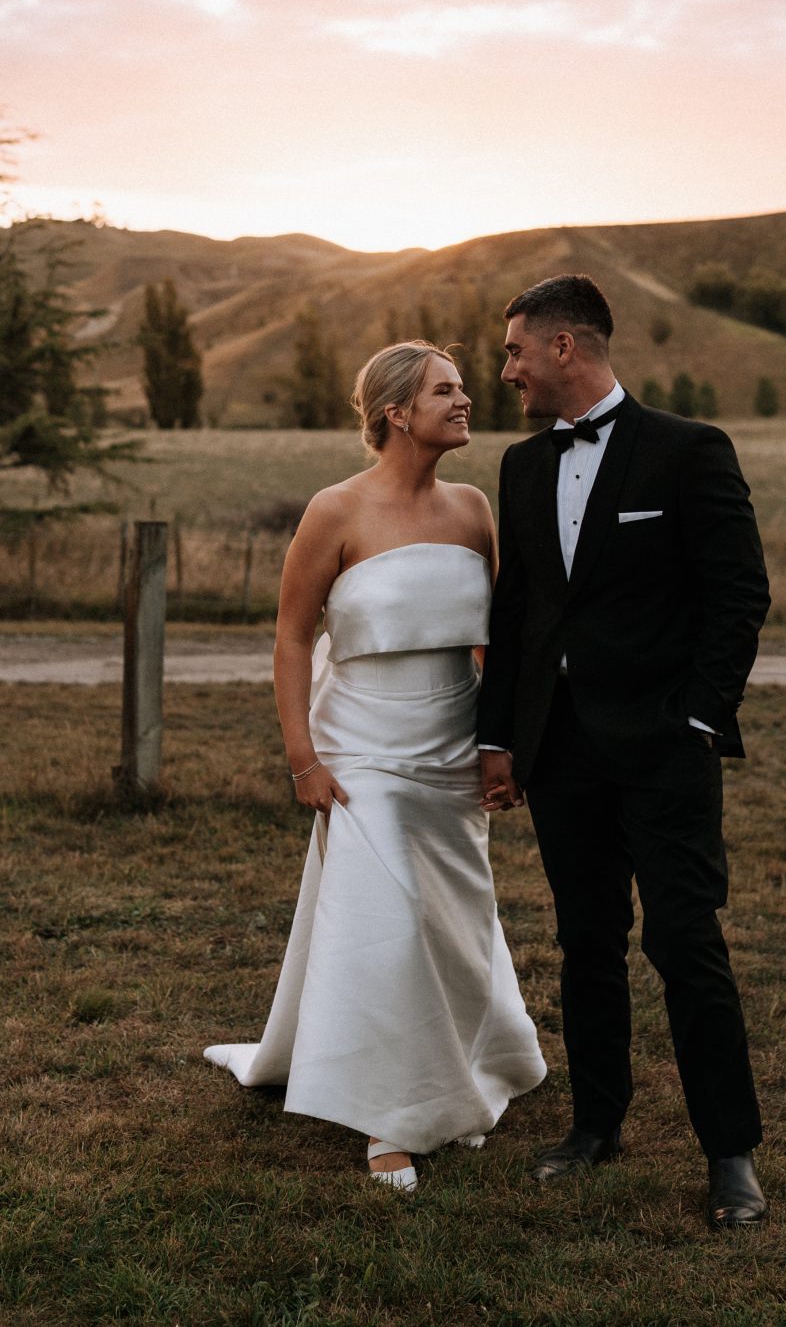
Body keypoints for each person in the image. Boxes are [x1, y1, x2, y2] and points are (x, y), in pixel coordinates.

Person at [204, 341, 545, 1191]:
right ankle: (394, 1116)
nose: (467, 399)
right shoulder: (335, 511)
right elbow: (290, 638)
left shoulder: (473, 508)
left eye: (464, 387)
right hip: (362, 749)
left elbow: (489, 642)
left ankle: (481, 1049)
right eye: (446, 389)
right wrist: (301, 760)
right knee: (386, 922)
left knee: (452, 915)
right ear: (396, 410)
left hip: (454, 744)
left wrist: (500, 745)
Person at [476, 274, 774, 1230]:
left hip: (664, 748)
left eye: (516, 349)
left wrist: (698, 718)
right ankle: (596, 1124)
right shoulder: (520, 468)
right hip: (561, 753)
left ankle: (730, 1154)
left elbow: (740, 595)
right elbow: (515, 613)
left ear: (567, 348)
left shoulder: (689, 451)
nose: (507, 369)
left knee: (686, 943)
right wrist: (501, 738)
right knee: (586, 941)